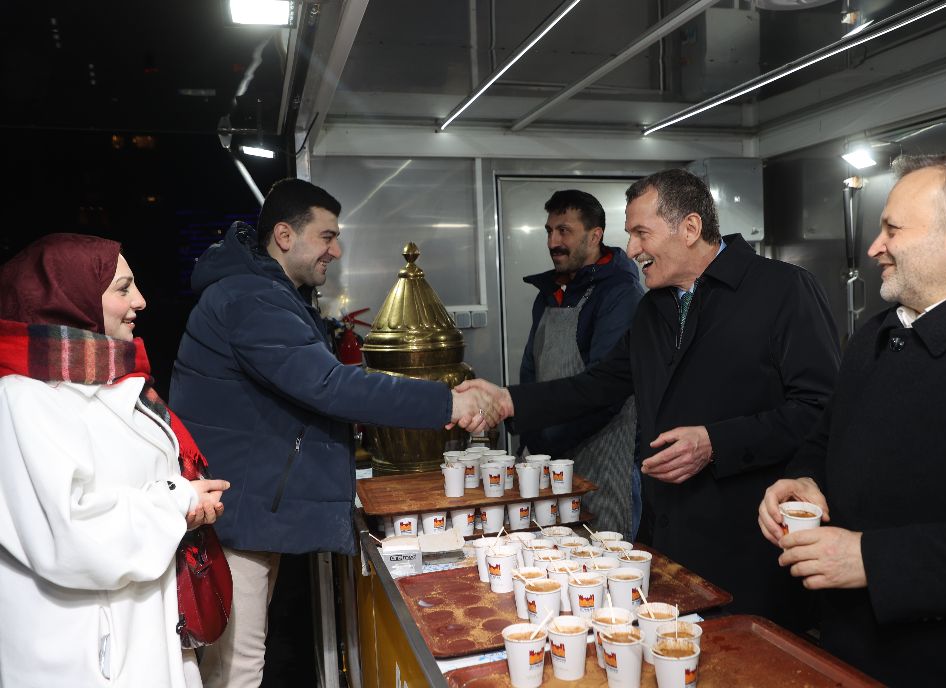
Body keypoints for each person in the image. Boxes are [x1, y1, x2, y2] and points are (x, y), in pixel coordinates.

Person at [460, 168, 841, 628]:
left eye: (642, 233)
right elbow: (598, 385)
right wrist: (508, 401)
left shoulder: (782, 289)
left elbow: (822, 410)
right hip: (668, 537)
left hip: (750, 546)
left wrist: (716, 442)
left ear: (690, 228)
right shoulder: (653, 308)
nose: (631, 249)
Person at [169, 178, 492, 688]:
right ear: (284, 236)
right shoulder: (251, 298)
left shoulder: (265, 292)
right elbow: (328, 385)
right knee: (237, 670)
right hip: (237, 515)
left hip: (248, 509)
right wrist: (447, 402)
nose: (336, 251)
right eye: (327, 236)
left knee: (241, 662)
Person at [759, 153, 946, 685]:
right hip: (851, 649)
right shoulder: (878, 332)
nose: (874, 247)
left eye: (892, 229)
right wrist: (804, 479)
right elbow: (825, 438)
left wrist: (873, 560)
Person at [0, 233, 230, 688]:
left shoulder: (115, 383)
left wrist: (187, 504)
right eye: (123, 288)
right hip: (85, 655)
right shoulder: (22, 399)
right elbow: (67, 535)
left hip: (142, 633)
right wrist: (175, 501)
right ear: (70, 298)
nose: (140, 301)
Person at [519, 189, 643, 537]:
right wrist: (530, 431)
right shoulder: (550, 293)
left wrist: (547, 441)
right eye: (549, 231)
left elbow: (607, 389)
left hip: (603, 461)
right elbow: (530, 370)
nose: (553, 242)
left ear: (594, 235)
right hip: (549, 459)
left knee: (602, 558)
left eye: (564, 231)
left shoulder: (620, 294)